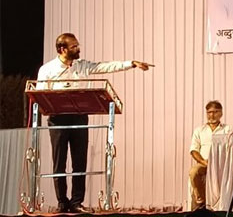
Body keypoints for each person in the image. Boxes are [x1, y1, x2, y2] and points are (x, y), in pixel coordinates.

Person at [36, 33, 151, 213]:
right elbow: (41, 95)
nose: (78, 49)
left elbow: (105, 66)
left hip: (80, 116)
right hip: (58, 119)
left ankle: (76, 202)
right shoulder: (47, 69)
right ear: (62, 49)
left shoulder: (82, 65)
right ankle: (62, 202)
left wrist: (131, 63)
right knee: (59, 161)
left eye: (77, 45)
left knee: (79, 160)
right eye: (74, 47)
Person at [189, 101, 232, 210]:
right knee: (193, 172)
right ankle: (201, 201)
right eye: (209, 112)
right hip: (204, 163)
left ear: (221, 113)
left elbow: (232, 147)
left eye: (215, 112)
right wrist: (204, 162)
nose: (212, 115)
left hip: (222, 164)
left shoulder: (228, 129)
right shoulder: (199, 130)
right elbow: (194, 150)